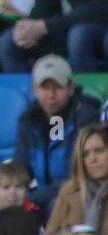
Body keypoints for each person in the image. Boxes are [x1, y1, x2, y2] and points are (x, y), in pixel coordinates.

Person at [12, 56, 102, 202]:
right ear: (34, 89)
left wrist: (32, 198)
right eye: (44, 87)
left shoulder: (86, 118)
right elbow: (20, 168)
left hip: (76, 194)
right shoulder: (28, 120)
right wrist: (11, 191)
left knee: (55, 206)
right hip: (40, 194)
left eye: (58, 87)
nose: (51, 95)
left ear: (71, 88)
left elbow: (76, 176)